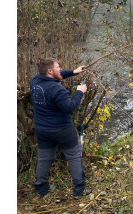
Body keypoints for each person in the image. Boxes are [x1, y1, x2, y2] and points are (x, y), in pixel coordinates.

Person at [29, 58, 89, 198]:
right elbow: (69, 108)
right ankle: (79, 191)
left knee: (44, 159)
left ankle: (41, 189)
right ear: (50, 71)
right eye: (58, 67)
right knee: (74, 157)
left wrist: (74, 72)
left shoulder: (35, 81)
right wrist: (80, 92)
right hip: (62, 130)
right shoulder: (57, 89)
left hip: (42, 130)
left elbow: (58, 75)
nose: (60, 69)